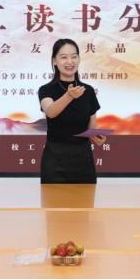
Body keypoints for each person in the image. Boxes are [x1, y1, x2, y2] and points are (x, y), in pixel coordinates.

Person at [37, 38, 106, 184]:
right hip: (55, 159)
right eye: (64, 57)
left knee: (85, 199)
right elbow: (50, 112)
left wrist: (97, 136)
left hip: (83, 159)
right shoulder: (46, 90)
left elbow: (92, 128)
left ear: (79, 59)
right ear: (54, 61)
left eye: (74, 56)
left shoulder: (88, 91)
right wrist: (69, 96)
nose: (70, 61)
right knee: (53, 199)